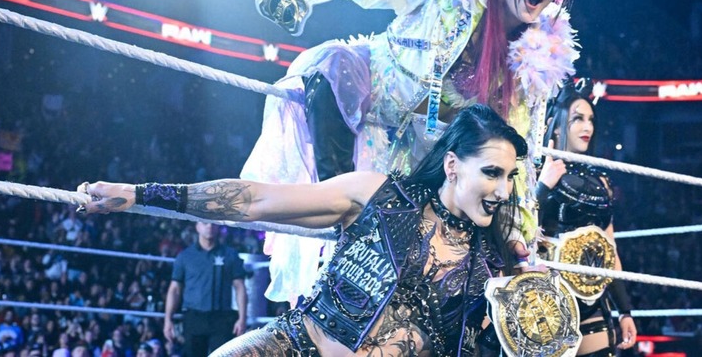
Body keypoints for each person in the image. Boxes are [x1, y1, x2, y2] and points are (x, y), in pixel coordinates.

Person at [247, 0, 580, 303]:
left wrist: (517, 234)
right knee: (330, 64)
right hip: (376, 90)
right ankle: (339, 218)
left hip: (428, 153)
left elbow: (515, 153)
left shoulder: (534, 60)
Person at [80, 104, 576, 356]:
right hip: (293, 347)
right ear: (451, 165)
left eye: (510, 177)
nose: (504, 190)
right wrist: (142, 195)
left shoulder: (491, 270)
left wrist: (528, 308)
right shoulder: (380, 195)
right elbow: (253, 200)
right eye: (492, 172)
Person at [536, 80, 637, 356]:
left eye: (591, 120)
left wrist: (625, 310)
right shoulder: (540, 171)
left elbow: (610, 251)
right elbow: (518, 230)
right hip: (551, 296)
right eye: (578, 119)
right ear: (557, 126)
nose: (587, 128)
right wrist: (542, 186)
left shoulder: (601, 180)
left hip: (596, 299)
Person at [163, 222, 247, 356]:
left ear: (218, 227)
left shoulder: (230, 255)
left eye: (213, 224)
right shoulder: (185, 256)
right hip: (194, 316)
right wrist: (168, 319)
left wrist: (242, 318)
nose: (209, 226)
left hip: (222, 317)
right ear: (197, 226)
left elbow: (240, 287)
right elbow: (174, 289)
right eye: (205, 223)